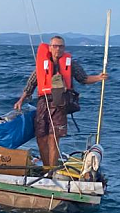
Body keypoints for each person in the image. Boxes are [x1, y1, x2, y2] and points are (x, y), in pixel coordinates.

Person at [14, 35, 108, 167]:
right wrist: (21, 100)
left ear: (64, 48)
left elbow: (84, 79)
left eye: (61, 46)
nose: (58, 49)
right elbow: (31, 84)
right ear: (50, 48)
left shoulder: (71, 64)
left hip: (61, 104)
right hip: (43, 103)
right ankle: (46, 168)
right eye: (55, 46)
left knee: (53, 138)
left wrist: (99, 78)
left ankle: (51, 170)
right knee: (41, 137)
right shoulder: (42, 64)